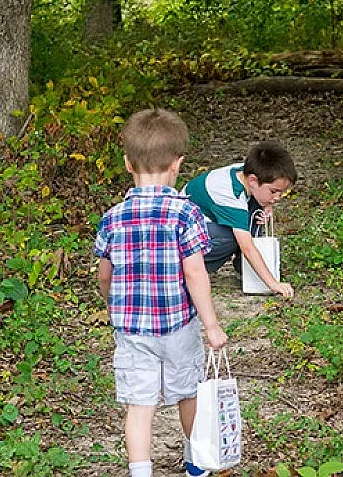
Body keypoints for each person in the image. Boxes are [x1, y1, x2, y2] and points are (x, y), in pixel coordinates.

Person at [94, 109, 228, 477]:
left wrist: (111, 302)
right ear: (177, 164)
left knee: (139, 405)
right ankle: (196, 460)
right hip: (179, 327)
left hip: (132, 331)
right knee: (188, 393)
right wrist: (212, 325)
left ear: (127, 163)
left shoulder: (113, 217)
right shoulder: (185, 213)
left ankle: (141, 473)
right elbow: (195, 272)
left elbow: (105, 273)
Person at [182, 140, 296, 299]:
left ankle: (244, 269)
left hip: (205, 222)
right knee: (234, 236)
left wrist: (266, 204)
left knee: (252, 216)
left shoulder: (246, 173)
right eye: (273, 191)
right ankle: (188, 270)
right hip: (184, 238)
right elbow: (247, 246)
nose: (277, 198)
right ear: (253, 180)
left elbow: (258, 196)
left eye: (281, 193)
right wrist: (273, 284)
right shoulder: (231, 195)